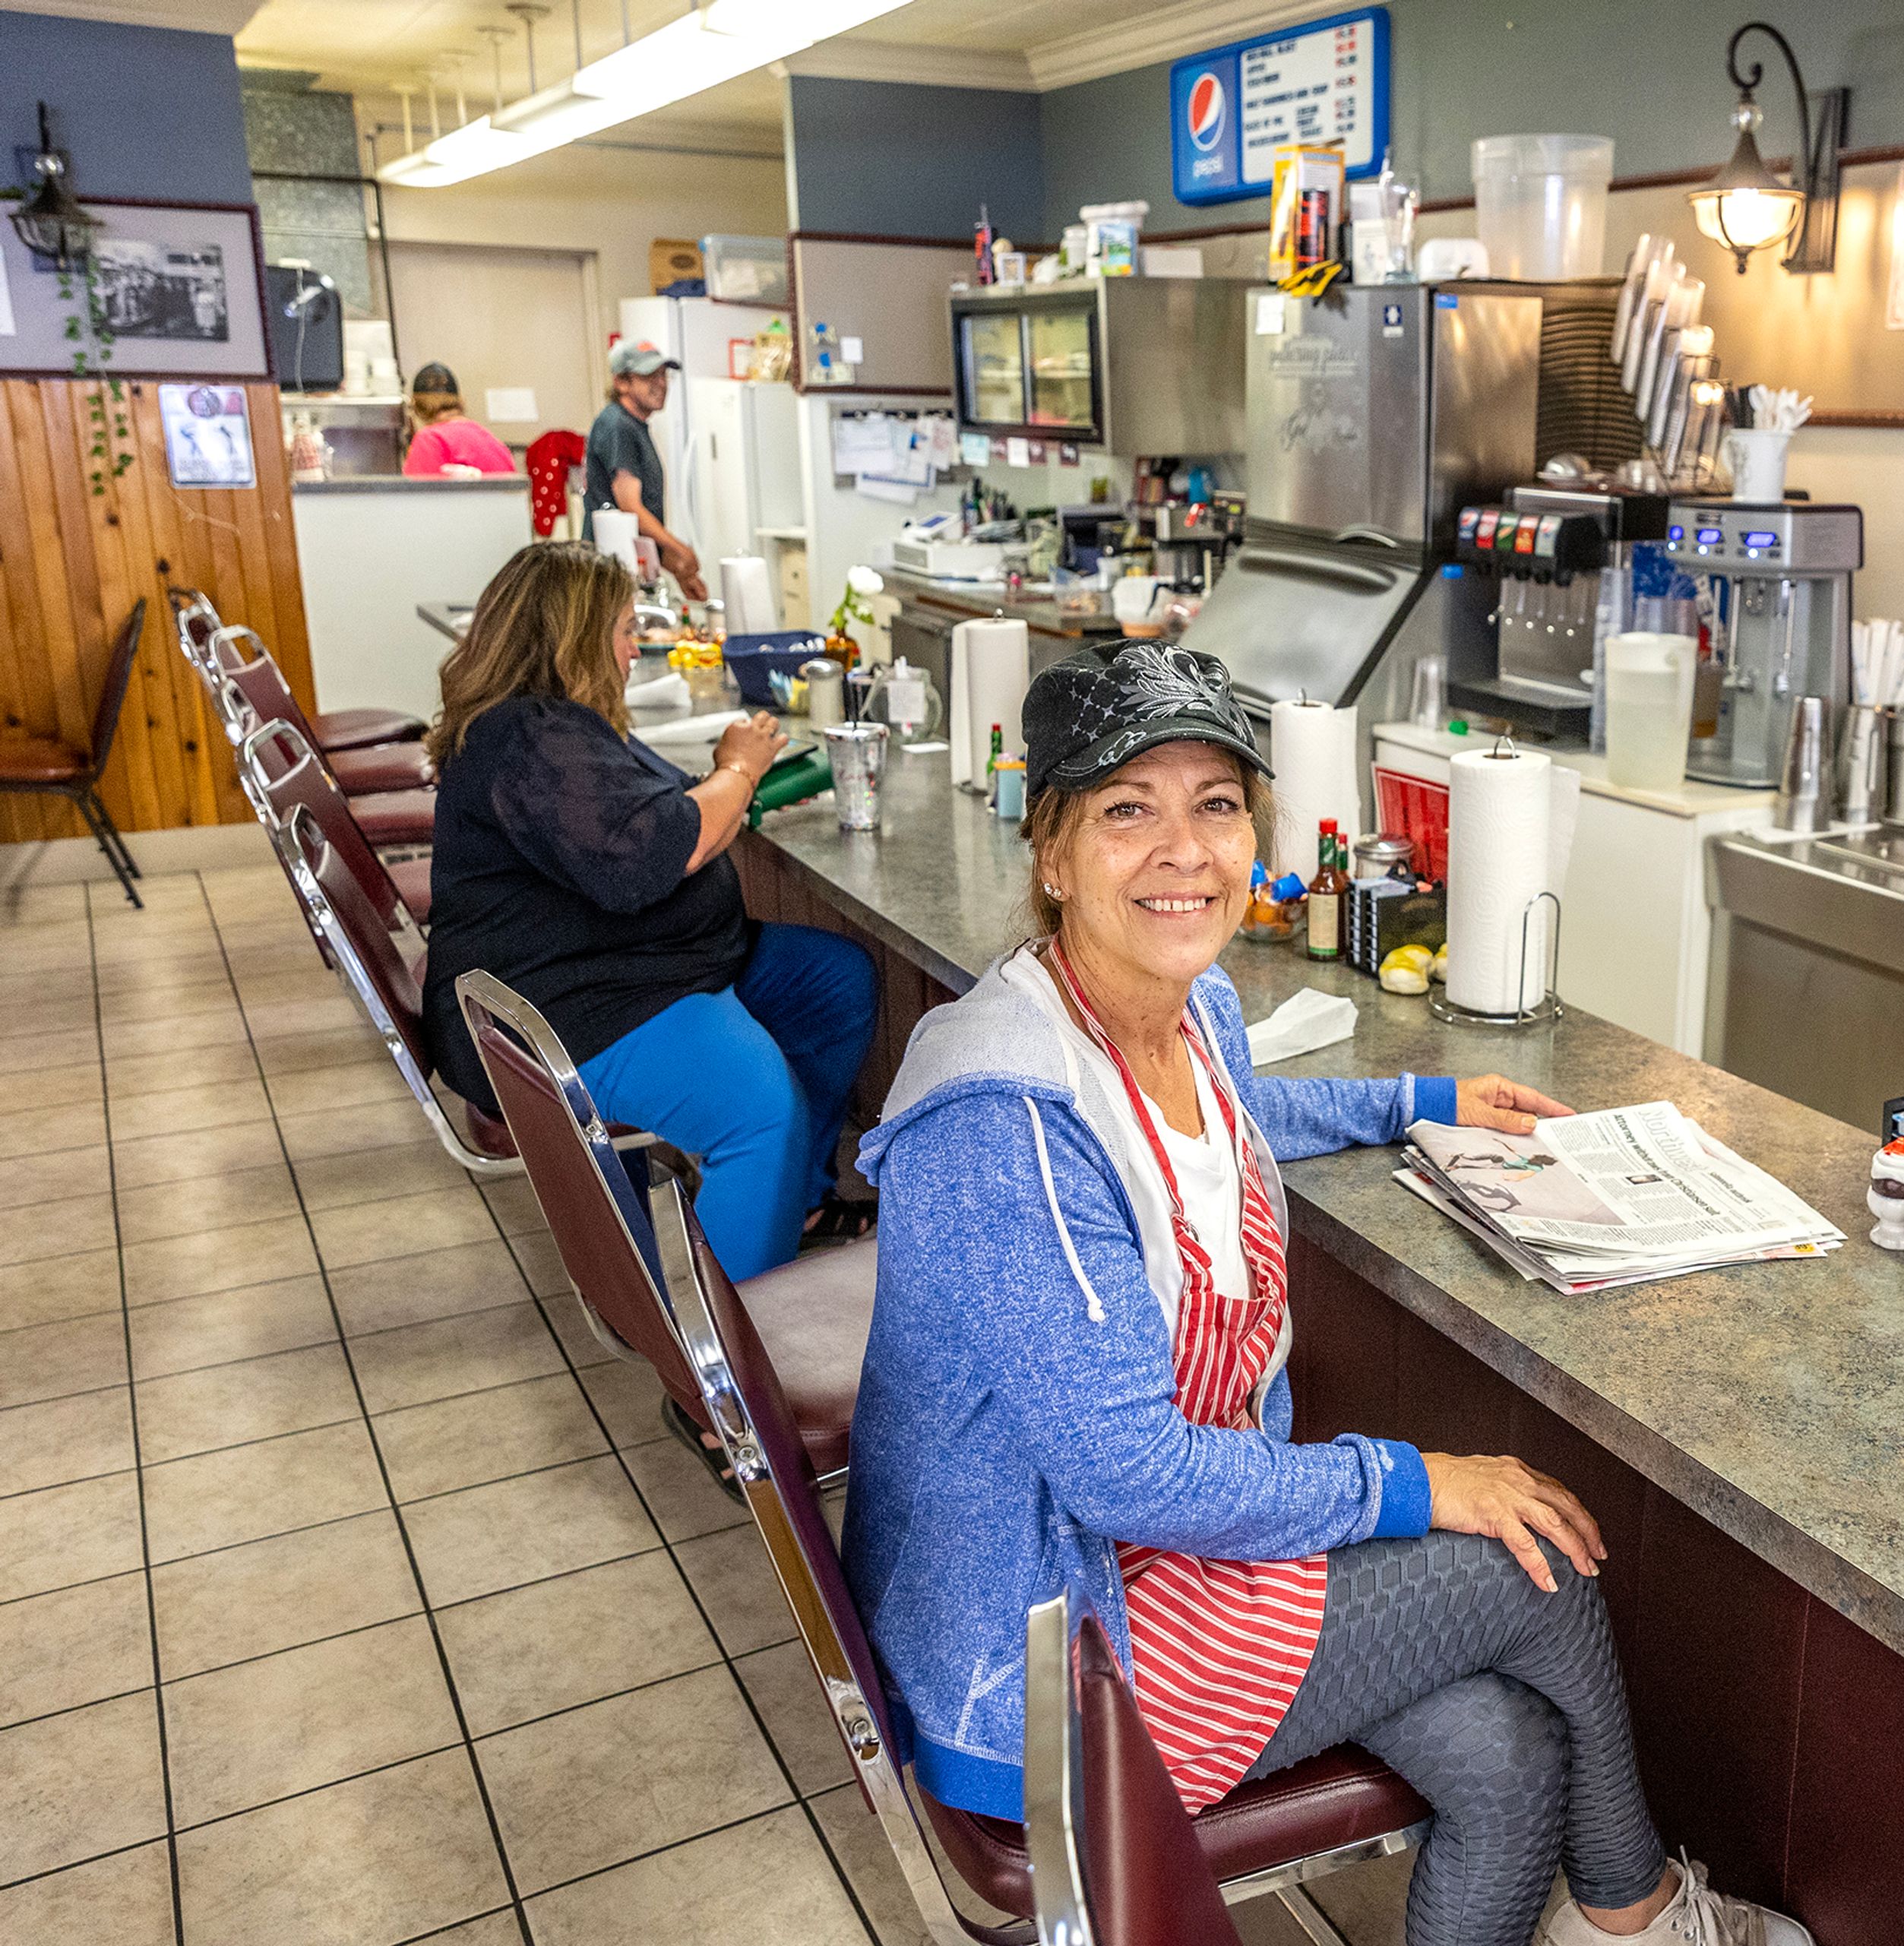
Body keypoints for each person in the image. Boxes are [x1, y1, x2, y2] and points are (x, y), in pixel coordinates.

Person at [847, 639, 1810, 1946]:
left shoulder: (1189, 1014)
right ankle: (1634, 1912)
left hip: (1148, 1567)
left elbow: (1230, 1116)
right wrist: (1414, 1479)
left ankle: (1618, 1913)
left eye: (1217, 805)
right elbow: (1128, 1473)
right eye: (1127, 810)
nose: (1183, 849)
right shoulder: (1008, 1112)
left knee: (1513, 1757)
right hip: (1047, 1657)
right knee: (1540, 1565)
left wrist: (1416, 1102)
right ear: (1052, 853)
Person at [420, 540, 877, 1284]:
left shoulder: (555, 724)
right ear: (575, 638)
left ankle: (793, 1205)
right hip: (578, 1002)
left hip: (642, 958)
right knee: (763, 1112)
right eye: (628, 630)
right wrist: (738, 771)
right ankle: (725, 1373)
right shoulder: (533, 739)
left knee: (835, 982)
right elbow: (651, 855)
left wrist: (724, 796)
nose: (635, 650)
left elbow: (658, 826)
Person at [584, 341, 705, 601]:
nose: (661, 384)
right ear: (621, 383)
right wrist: (681, 550)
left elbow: (640, 524)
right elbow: (630, 507)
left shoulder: (633, 426)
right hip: (611, 573)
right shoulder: (619, 426)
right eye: (650, 376)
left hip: (627, 567)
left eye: (663, 375)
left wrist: (680, 571)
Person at [401, 362, 520, 478]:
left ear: (417, 406)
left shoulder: (430, 439)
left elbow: (418, 495)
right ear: (459, 400)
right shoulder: (492, 442)